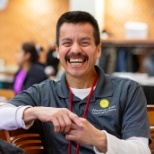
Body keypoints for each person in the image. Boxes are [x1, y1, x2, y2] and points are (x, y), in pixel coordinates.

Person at [0, 11, 151, 154]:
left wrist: (99, 139)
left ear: (98, 49)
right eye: (67, 43)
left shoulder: (127, 90)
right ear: (58, 51)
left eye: (84, 42)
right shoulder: (43, 93)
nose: (75, 50)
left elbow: (141, 150)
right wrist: (36, 111)